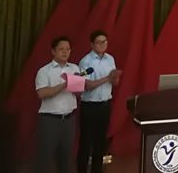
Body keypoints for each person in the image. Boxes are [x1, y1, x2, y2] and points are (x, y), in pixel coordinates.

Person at [35, 35, 80, 173]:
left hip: (69, 120)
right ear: (53, 51)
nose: (65, 52)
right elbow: (42, 93)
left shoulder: (74, 68)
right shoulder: (44, 71)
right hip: (50, 120)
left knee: (66, 159)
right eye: (61, 49)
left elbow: (78, 93)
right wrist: (65, 84)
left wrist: (78, 85)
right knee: (44, 157)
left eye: (68, 49)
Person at [77, 30, 120, 173]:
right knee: (86, 142)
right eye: (99, 42)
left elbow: (114, 82)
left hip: (105, 105)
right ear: (92, 44)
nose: (102, 44)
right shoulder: (85, 61)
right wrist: (108, 78)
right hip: (89, 106)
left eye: (104, 42)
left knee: (100, 142)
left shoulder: (110, 59)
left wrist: (115, 77)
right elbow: (87, 85)